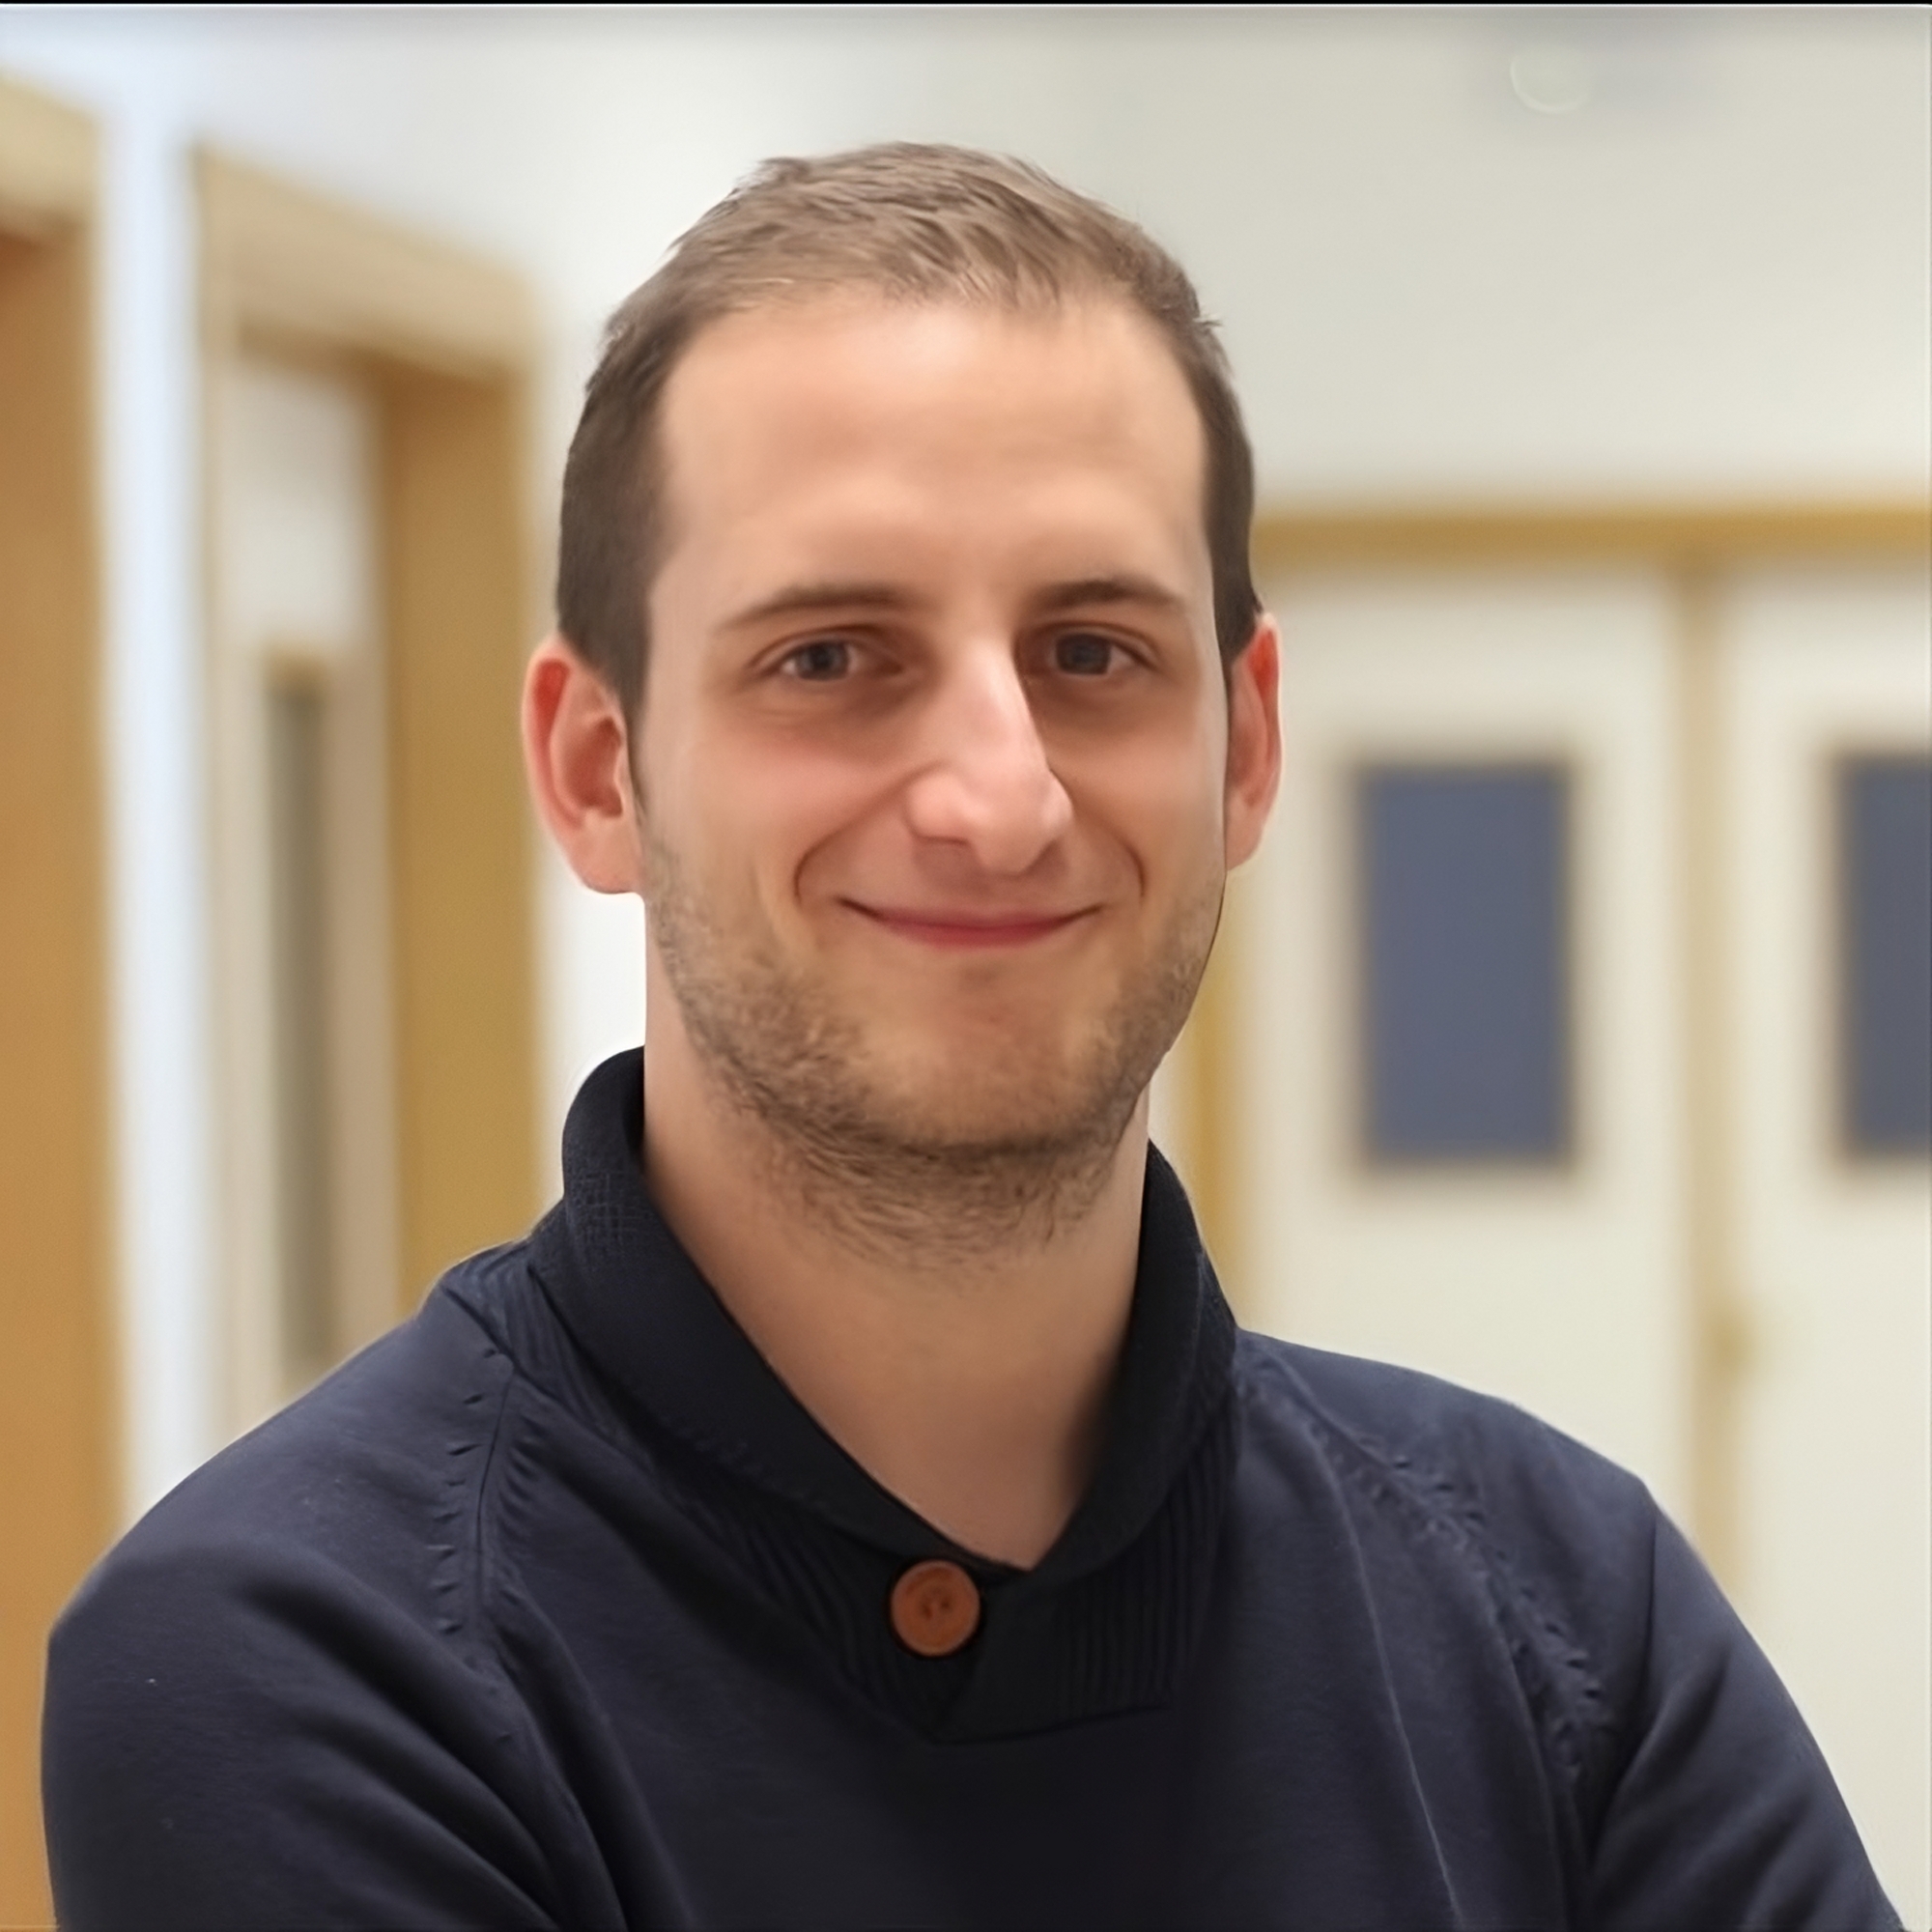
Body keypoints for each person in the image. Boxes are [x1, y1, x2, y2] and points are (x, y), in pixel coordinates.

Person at [43, 145, 1895, 1931]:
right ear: (599, 769)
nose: (998, 799)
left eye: (1092, 650)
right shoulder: (300, 1664)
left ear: (1243, 747)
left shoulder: (1559, 1601)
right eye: (833, 656)